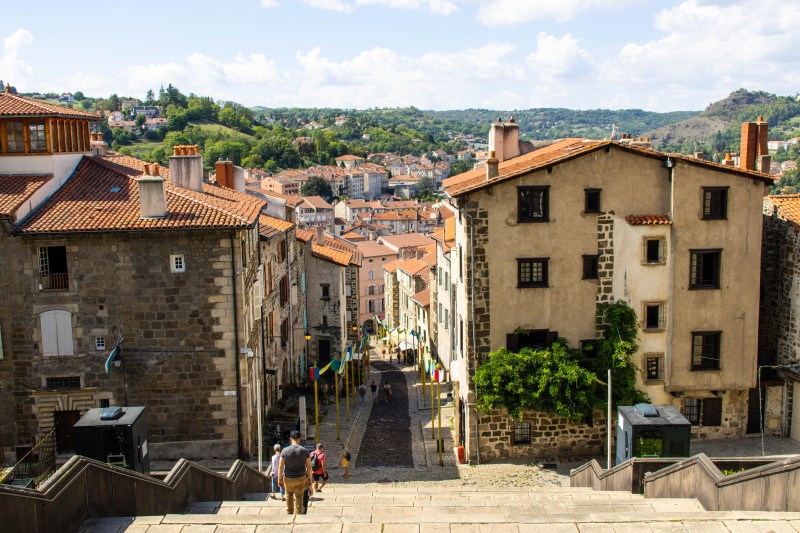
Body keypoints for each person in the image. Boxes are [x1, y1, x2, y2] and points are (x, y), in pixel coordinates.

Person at [278, 430, 314, 515]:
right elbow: (309, 467)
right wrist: (310, 480)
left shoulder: (284, 451)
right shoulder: (304, 451)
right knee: (299, 497)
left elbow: (280, 466)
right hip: (300, 478)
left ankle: (289, 512)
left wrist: (279, 479)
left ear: (290, 439)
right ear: (299, 439)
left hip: (288, 478)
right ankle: (298, 515)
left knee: (289, 495)